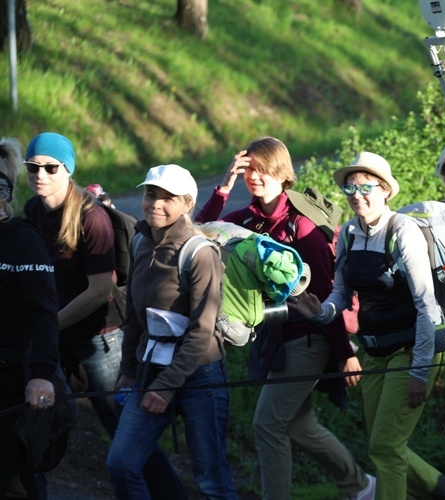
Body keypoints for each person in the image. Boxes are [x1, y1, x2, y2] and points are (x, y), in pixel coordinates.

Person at [195, 136, 375, 500]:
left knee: (267, 424)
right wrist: (225, 187)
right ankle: (361, 485)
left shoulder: (302, 225)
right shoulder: (246, 219)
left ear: (281, 173)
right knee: (299, 425)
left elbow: (327, 294)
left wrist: (344, 351)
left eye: (262, 169)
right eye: (250, 170)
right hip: (275, 338)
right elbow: (199, 233)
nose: (254, 177)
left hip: (309, 337)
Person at [293, 151, 445, 500]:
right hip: (375, 351)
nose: (357, 194)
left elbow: (427, 305)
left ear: (386, 190)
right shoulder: (348, 232)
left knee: (386, 447)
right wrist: (319, 311)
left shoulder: (403, 231)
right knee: (385, 445)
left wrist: (421, 372)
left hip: (410, 350)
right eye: (350, 187)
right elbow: (341, 293)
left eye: (366, 186)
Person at [23, 132, 185, 498]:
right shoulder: (32, 211)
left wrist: (50, 324)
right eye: (33, 167)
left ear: (68, 170)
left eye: (51, 167)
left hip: (101, 341)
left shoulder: (90, 218)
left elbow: (101, 290)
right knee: (33, 422)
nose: (40, 175)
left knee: (126, 434)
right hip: (57, 337)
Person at [106, 164, 237, 498]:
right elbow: (135, 316)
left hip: (200, 374)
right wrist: (129, 371)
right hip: (151, 369)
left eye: (168, 198)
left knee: (211, 480)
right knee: (121, 463)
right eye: (151, 194)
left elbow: (202, 331)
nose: (155, 204)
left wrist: (166, 388)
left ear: (188, 204)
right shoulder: (139, 243)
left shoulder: (199, 252)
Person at [0, 137, 60, 499]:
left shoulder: (23, 240)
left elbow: (44, 313)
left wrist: (41, 375)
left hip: (13, 379)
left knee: (16, 481)